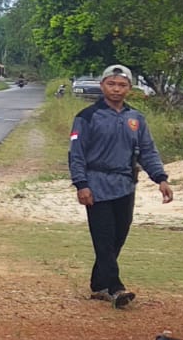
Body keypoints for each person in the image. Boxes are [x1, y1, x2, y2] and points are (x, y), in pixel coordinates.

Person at [68, 64, 173, 308]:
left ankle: (98, 285)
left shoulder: (135, 118)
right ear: (102, 85)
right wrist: (81, 184)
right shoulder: (87, 117)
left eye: (122, 85)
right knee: (103, 238)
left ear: (129, 88)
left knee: (117, 238)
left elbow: (147, 151)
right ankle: (116, 288)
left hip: (125, 185)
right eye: (111, 84)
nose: (116, 89)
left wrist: (161, 179)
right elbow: (76, 155)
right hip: (96, 185)